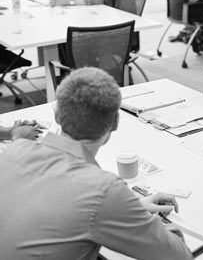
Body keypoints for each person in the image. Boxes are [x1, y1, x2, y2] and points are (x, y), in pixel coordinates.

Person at [0, 67, 192, 260]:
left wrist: (127, 212)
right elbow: (180, 257)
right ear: (114, 123)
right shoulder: (103, 190)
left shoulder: (15, 149)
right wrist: (135, 217)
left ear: (57, 115)